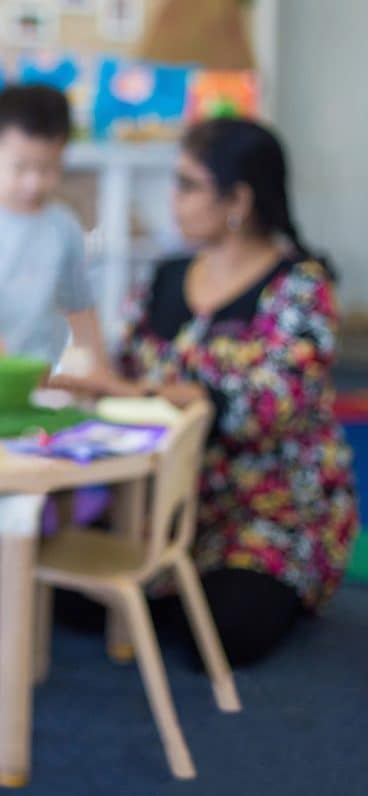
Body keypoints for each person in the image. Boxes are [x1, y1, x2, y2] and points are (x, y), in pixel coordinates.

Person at [71, 118, 359, 666]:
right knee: (56, 587)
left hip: (267, 513)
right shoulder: (165, 274)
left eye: (187, 185)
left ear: (239, 199)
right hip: (164, 504)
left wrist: (168, 391)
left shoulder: (300, 286)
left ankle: (178, 595)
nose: (173, 199)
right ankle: (158, 591)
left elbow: (270, 406)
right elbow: (125, 375)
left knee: (225, 632)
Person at [0, 83, 109, 372]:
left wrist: (100, 367)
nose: (33, 182)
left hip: (34, 372)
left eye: (48, 168)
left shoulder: (64, 226)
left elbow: (81, 306)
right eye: (20, 167)